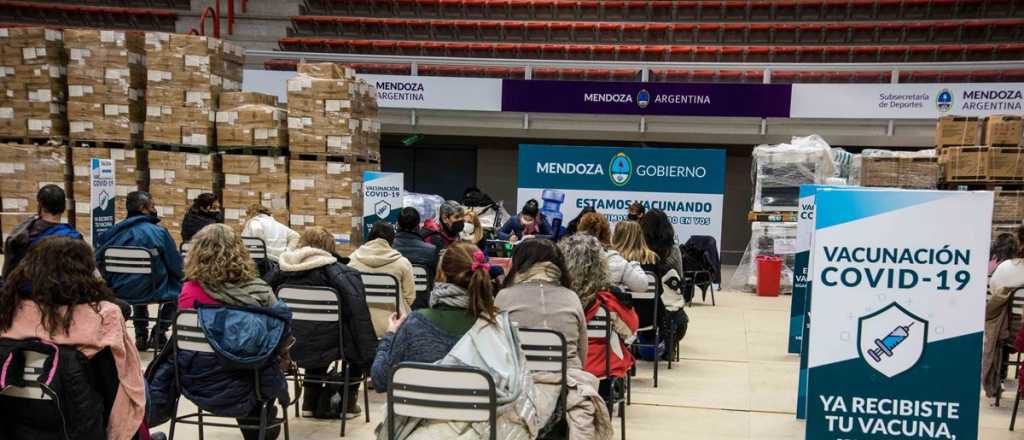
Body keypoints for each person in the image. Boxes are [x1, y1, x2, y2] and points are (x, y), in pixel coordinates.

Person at [372, 241, 558, 440]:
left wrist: (390, 335)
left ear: (441, 275)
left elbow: (380, 379)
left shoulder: (414, 324)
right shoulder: (498, 329)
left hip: (420, 430)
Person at [0, 237, 146, 440]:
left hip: (14, 425)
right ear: (87, 270)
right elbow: (121, 389)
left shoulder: (9, 310)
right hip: (81, 426)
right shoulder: (103, 316)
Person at [155, 224, 291, 440]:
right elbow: (281, 336)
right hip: (248, 383)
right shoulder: (259, 291)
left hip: (194, 379)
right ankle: (261, 423)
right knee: (265, 354)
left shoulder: (187, 293)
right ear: (240, 253)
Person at [267, 226, 378, 419]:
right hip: (332, 345)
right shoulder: (344, 274)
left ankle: (309, 401)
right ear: (330, 247)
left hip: (288, 345)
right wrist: (370, 358)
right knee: (348, 339)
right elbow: (359, 316)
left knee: (311, 330)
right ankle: (347, 403)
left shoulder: (279, 272)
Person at [95, 190, 183, 352]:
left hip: (119, 291)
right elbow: (176, 266)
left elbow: (98, 262)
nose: (155, 209)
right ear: (143, 208)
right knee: (181, 287)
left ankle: (140, 334)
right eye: (153, 206)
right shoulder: (159, 233)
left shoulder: (111, 233)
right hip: (153, 289)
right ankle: (160, 331)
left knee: (136, 279)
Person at [496, 238, 586, 369]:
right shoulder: (571, 298)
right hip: (568, 381)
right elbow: (583, 351)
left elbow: (496, 348)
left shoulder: (503, 297)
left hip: (517, 383)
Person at [348, 221, 416, 336]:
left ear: (369, 237)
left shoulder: (351, 261)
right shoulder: (402, 263)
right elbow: (410, 298)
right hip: (395, 326)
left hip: (359, 327)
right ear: (392, 240)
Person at [1, 184, 81, 278]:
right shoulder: (74, 238)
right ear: (63, 208)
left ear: (40, 206)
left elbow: (8, 272)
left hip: (23, 290)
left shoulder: (21, 232)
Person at [639, 209, 688, 356]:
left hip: (640, 315)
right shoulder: (674, 252)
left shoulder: (638, 254)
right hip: (669, 316)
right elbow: (680, 280)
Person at [576, 212, 648, 293]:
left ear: (580, 230)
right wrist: (634, 264)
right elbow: (642, 286)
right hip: (605, 304)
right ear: (608, 233)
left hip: (577, 304)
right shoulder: (617, 261)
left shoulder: (568, 257)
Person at [392, 207, 440, 309]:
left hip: (393, 307)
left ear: (397, 225)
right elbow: (436, 281)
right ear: (418, 226)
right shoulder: (431, 251)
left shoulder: (388, 249)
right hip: (422, 308)